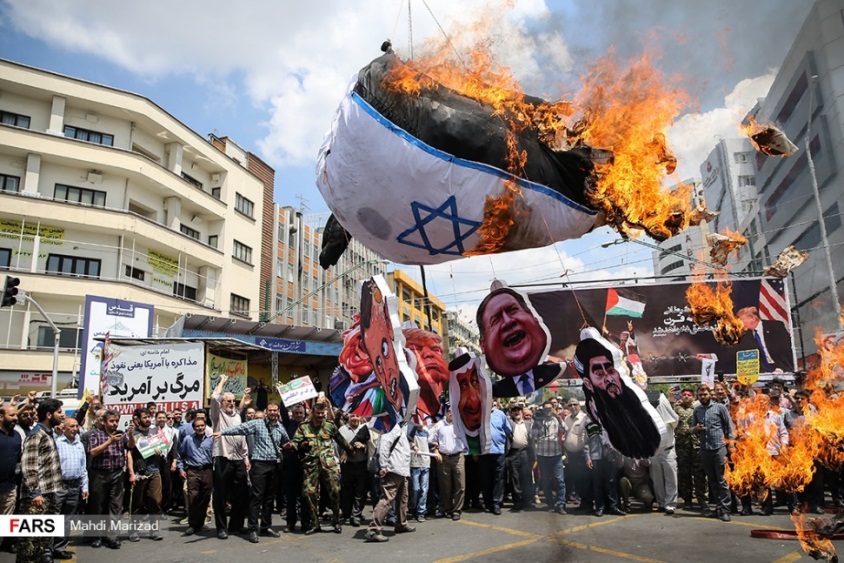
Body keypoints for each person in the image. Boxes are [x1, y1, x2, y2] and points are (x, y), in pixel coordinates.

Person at [573, 337, 662, 459]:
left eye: (610, 370)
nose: (609, 378)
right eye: (599, 374)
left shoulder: (634, 401)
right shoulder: (595, 412)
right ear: (588, 383)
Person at [217, 400, 289, 543]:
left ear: (278, 412)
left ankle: (266, 527)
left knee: (269, 499)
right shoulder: (258, 424)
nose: (273, 412)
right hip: (259, 465)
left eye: (275, 410)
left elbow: (285, 441)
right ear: (266, 411)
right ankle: (253, 529)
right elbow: (240, 428)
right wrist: (222, 432)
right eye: (271, 410)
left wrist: (289, 445)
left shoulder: (280, 427)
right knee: (256, 497)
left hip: (274, 465)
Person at [476, 286, 561, 397]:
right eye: (495, 320)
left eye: (513, 310)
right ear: (483, 345)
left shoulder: (554, 370)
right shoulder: (497, 390)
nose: (508, 322)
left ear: (534, 317)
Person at [291, 400, 352, 534]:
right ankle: (315, 523)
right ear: (312, 412)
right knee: (308, 492)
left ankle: (336, 521)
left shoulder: (329, 426)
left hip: (328, 464)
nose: (320, 415)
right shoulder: (304, 427)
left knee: (335, 491)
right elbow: (296, 441)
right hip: (311, 465)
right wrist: (294, 445)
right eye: (317, 413)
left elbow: (341, 441)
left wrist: (350, 451)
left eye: (322, 413)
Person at [16, 398, 64, 563]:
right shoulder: (36, 435)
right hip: (36, 498)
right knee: (30, 543)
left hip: (48, 494)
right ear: (49, 414)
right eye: (59, 412)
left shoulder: (48, 433)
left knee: (41, 542)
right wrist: (35, 493)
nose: (62, 415)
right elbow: (29, 466)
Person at [209, 373, 250, 540]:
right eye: (228, 401)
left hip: (239, 459)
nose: (231, 403)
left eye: (233, 401)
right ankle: (221, 528)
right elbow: (214, 397)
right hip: (222, 458)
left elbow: (242, 438)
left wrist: (246, 458)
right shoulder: (217, 416)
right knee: (220, 495)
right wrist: (222, 382)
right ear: (222, 403)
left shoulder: (237, 416)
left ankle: (236, 525)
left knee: (241, 494)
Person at [88, 409, 135, 549]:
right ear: (104, 422)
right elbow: (92, 452)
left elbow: (131, 446)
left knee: (115, 506)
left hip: (117, 474)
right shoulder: (96, 435)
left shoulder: (121, 435)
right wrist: (109, 442)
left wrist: (131, 435)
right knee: (98, 505)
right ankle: (96, 536)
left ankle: (112, 536)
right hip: (99, 474)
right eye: (111, 421)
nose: (114, 424)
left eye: (116, 421)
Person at [365, 421, 415, 542]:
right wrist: (383, 466)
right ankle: (374, 529)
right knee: (387, 499)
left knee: (403, 498)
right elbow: (384, 447)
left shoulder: (399, 427)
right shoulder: (391, 427)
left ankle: (401, 524)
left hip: (401, 470)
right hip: (393, 469)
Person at [692, 384, 735, 522]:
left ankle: (725, 510)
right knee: (713, 481)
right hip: (705, 449)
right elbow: (691, 428)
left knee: (722, 481)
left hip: (719, 448)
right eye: (700, 395)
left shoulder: (720, 408)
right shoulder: (697, 410)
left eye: (705, 394)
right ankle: (718, 508)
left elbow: (729, 426)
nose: (703, 397)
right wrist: (696, 429)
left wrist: (731, 444)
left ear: (710, 394)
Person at [49, 417, 88, 560]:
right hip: (59, 485)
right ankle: (48, 549)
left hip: (75, 486)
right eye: (71, 426)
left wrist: (85, 487)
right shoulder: (57, 443)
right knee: (54, 517)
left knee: (67, 518)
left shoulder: (79, 444)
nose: (75, 429)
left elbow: (83, 468)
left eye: (76, 426)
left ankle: (60, 548)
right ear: (64, 428)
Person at [126, 407, 165, 542]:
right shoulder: (134, 433)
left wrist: (160, 450)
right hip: (140, 472)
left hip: (154, 471)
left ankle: (154, 530)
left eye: (149, 417)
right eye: (144, 417)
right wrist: (131, 473)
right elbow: (130, 451)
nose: (148, 419)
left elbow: (163, 447)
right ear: (138, 419)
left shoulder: (155, 431)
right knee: (136, 503)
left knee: (155, 501)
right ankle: (134, 530)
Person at [428, 406, 467, 520]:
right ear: (445, 413)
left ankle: (457, 510)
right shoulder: (439, 425)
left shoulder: (461, 424)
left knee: (460, 485)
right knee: (445, 486)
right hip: (443, 458)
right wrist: (435, 450)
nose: (451, 413)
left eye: (453, 411)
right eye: (449, 411)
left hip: (458, 457)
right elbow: (431, 439)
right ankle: (448, 508)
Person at [404, 327, 448, 425]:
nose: (428, 354)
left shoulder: (455, 410)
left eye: (435, 349)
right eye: (415, 349)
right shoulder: (399, 416)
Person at [178, 417, 214, 536]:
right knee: (193, 497)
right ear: (193, 428)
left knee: (205, 497)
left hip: (207, 470)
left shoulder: (211, 439)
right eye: (197, 426)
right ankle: (193, 524)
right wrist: (181, 468)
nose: (200, 428)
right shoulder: (188, 439)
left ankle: (201, 522)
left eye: (202, 426)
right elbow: (180, 454)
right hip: (193, 471)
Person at [529, 400, 567, 514]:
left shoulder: (557, 420)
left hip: (556, 455)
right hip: (542, 455)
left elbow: (565, 429)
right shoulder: (539, 421)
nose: (548, 411)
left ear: (553, 408)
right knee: (545, 481)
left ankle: (560, 504)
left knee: (560, 480)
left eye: (550, 408)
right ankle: (550, 503)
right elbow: (532, 435)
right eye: (546, 409)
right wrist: (536, 424)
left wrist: (559, 417)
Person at [673, 389, 708, 511]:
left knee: (699, 474)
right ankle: (687, 499)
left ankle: (701, 499)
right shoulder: (676, 409)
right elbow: (675, 428)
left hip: (697, 445)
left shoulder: (698, 408)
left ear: (693, 397)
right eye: (684, 395)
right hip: (683, 446)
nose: (686, 397)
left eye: (689, 395)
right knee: (685, 474)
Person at [279, 400, 310, 533]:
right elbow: (282, 411)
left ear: (304, 414)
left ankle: (305, 523)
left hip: (305, 464)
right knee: (290, 496)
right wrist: (283, 395)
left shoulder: (309, 425)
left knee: (305, 496)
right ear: (293, 414)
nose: (298, 415)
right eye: (296, 413)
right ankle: (290, 523)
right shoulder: (288, 423)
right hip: (290, 464)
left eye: (301, 413)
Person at [736, 306, 794, 372]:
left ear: (753, 318)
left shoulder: (775, 327)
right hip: (763, 371)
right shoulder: (746, 336)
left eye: (741, 320)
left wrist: (781, 369)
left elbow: (786, 350)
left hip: (782, 367)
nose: (739, 323)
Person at [338, 412, 371, 527]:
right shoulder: (342, 430)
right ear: (348, 418)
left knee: (360, 492)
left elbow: (372, 446)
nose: (355, 418)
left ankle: (356, 515)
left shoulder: (366, 429)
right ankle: (346, 515)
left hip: (361, 465)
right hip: (347, 465)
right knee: (347, 492)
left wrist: (364, 446)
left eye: (357, 416)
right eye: (352, 416)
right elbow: (337, 448)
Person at [479, 404, 512, 515]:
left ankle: (496, 503)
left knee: (498, 479)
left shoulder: (500, 414)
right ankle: (488, 503)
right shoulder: (478, 413)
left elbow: (508, 430)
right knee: (485, 479)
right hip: (483, 452)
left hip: (498, 452)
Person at [649, 393, 679, 515]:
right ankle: (661, 502)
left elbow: (675, 420)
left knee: (670, 477)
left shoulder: (669, 419)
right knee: (657, 479)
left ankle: (670, 504)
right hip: (654, 451)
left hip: (668, 450)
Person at [506, 404, 533, 511]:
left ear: (522, 412)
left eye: (518, 410)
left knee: (526, 478)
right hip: (513, 453)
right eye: (514, 411)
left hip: (525, 453)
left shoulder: (528, 423)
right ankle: (517, 501)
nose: (516, 412)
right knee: (514, 479)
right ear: (511, 413)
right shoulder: (509, 423)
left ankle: (527, 501)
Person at [563, 398, 588, 506]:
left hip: (582, 454)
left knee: (583, 478)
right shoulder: (567, 418)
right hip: (570, 454)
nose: (573, 407)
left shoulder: (584, 418)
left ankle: (585, 502)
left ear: (579, 406)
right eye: (570, 405)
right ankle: (579, 498)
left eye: (575, 404)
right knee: (574, 478)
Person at [407, 422, 432, 522]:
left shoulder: (427, 432)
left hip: (426, 463)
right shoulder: (412, 431)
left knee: (424, 489)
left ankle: (421, 511)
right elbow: (407, 440)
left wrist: (434, 445)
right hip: (415, 464)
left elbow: (430, 444)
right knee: (415, 489)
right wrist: (413, 446)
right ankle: (413, 508)